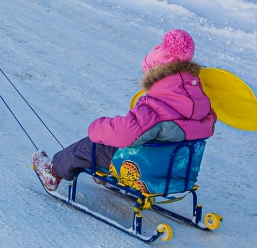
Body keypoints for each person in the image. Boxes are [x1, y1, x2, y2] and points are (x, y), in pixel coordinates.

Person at [32, 29, 216, 190]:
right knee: (127, 141)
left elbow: (126, 134)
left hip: (142, 169)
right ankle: (104, 174)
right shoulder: (201, 106)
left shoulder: (157, 107)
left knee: (92, 145)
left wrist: (98, 127)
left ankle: (53, 170)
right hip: (173, 172)